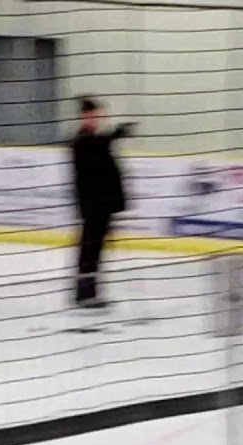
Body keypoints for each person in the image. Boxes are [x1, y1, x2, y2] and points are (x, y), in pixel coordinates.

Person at [69, 96, 134, 309]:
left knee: (95, 251)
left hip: (101, 206)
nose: (99, 119)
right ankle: (84, 294)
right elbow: (95, 153)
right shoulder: (82, 141)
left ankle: (90, 292)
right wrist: (115, 135)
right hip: (93, 206)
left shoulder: (93, 139)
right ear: (85, 116)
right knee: (89, 251)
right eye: (95, 115)